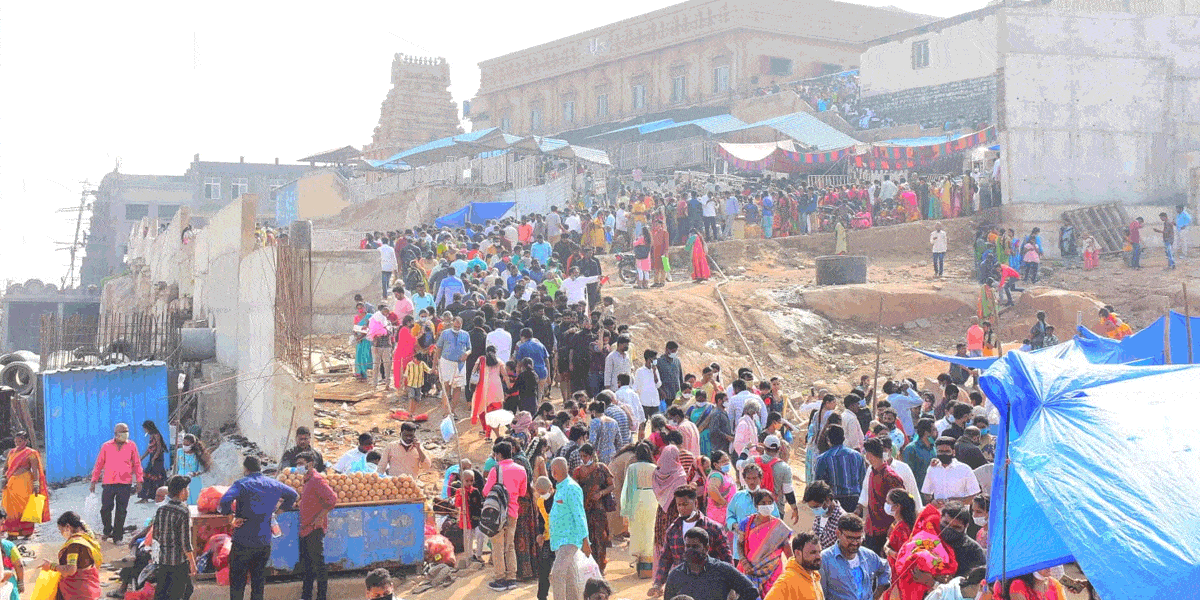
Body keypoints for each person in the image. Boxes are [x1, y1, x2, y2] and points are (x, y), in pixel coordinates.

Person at [219, 456, 299, 600]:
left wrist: (231, 516)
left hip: (243, 540)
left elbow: (224, 500)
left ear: (245, 469)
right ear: (260, 467)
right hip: (263, 541)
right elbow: (293, 495)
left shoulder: (241, 484)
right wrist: (278, 511)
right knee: (258, 583)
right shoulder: (273, 483)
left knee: (237, 583)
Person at [651, 485, 732, 596]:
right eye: (679, 505)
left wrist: (731, 586)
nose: (681, 509)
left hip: (709, 586)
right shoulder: (673, 530)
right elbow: (665, 558)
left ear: (695, 503)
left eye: (685, 504)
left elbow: (726, 558)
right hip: (682, 587)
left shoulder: (713, 528)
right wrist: (658, 584)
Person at [662, 528, 760, 600]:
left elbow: (751, 591)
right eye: (688, 546)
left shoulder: (723, 570)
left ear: (706, 548)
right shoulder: (675, 575)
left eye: (695, 546)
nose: (690, 550)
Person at [483, 441, 528, 591]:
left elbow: (486, 491)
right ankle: (511, 578)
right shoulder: (521, 469)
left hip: (497, 514)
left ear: (499, 454)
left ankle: (500, 579)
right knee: (510, 545)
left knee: (497, 546)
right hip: (513, 512)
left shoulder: (495, 470)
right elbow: (522, 492)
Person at [90, 422, 144, 543]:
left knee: (121, 511)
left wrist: (139, 480)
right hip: (109, 482)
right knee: (105, 509)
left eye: (127, 431)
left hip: (125, 483)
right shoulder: (106, 446)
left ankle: (118, 537)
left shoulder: (132, 445)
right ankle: (107, 530)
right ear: (116, 433)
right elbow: (99, 464)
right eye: (123, 431)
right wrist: (94, 480)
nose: (126, 434)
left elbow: (137, 464)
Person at [294, 453, 337, 600]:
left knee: (318, 566)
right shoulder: (307, 480)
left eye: (301, 463)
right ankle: (306, 596)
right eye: (297, 464)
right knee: (307, 566)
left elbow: (332, 499)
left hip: (314, 528)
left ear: (311, 463)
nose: (299, 467)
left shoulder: (317, 480)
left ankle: (321, 596)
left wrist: (320, 517)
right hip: (305, 528)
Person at [818, 514, 889, 600]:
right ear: (838, 533)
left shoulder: (869, 555)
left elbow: (885, 568)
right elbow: (820, 594)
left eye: (858, 538)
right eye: (850, 538)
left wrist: (877, 595)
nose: (855, 543)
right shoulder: (824, 560)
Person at [549, 457, 591, 600]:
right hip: (559, 539)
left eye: (555, 470)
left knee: (557, 573)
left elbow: (579, 514)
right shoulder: (560, 487)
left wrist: (585, 539)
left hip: (569, 539)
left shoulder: (571, 488)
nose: (554, 473)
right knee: (569, 577)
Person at [737, 490, 793, 596]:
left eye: (770, 502)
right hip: (750, 569)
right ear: (756, 505)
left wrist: (793, 569)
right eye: (763, 503)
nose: (767, 506)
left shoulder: (779, 526)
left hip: (773, 571)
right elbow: (740, 543)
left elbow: (788, 551)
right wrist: (744, 562)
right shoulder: (747, 523)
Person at [151, 475, 197, 600]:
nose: (188, 491)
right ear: (182, 491)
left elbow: (156, 535)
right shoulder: (183, 511)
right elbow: (185, 542)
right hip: (178, 562)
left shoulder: (161, 509)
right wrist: (192, 563)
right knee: (181, 593)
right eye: (187, 489)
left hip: (163, 560)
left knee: (163, 594)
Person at [41, 511, 104, 600]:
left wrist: (51, 565)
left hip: (78, 591)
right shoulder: (87, 535)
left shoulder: (74, 545)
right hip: (91, 586)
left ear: (68, 527)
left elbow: (70, 570)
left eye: (61, 530)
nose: (61, 533)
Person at [857, 437, 904, 556]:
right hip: (871, 531)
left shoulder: (890, 476)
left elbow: (902, 505)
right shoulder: (872, 472)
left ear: (869, 455)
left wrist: (894, 526)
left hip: (886, 532)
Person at [573, 444, 616, 573]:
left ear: (592, 455)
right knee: (587, 539)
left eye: (585, 456)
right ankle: (589, 568)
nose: (583, 459)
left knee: (600, 538)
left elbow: (612, 486)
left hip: (599, 510)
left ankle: (600, 567)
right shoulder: (578, 471)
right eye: (581, 456)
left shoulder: (602, 468)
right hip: (584, 511)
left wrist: (601, 493)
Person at [2, 431, 47, 539]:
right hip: (11, 483)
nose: (17, 443)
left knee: (25, 508)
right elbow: (5, 468)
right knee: (10, 509)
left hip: (25, 483)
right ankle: (12, 533)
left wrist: (36, 484)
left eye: (20, 441)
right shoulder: (11, 452)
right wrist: (3, 478)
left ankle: (27, 532)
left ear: (26, 441)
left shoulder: (31, 453)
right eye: (16, 441)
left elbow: (35, 471)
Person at [813, 426, 865, 513]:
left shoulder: (823, 458)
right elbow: (863, 480)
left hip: (834, 502)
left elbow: (819, 484)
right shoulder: (857, 456)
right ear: (843, 438)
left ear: (828, 440)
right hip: (855, 501)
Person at [920, 438, 981, 506]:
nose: (944, 454)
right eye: (940, 451)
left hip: (959, 511)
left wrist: (953, 502)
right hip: (938, 511)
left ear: (953, 452)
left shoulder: (964, 469)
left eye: (947, 451)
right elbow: (926, 493)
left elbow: (974, 496)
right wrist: (932, 502)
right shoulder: (932, 468)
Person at [763, 532, 824, 600]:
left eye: (819, 552)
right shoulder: (786, 581)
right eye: (813, 552)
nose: (818, 556)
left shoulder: (814, 576)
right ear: (798, 553)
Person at [938, 502, 986, 577]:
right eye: (945, 523)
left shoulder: (973, 551)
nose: (948, 529)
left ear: (966, 526)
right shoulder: (929, 540)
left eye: (956, 527)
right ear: (940, 518)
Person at [436, 316, 472, 415]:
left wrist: (467, 354)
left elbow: (469, 348)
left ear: (462, 325)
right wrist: (435, 364)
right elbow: (438, 348)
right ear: (452, 323)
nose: (457, 328)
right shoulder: (445, 333)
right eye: (455, 326)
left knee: (457, 387)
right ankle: (446, 411)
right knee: (446, 387)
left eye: (459, 327)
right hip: (446, 363)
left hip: (460, 365)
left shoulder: (466, 334)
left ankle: (452, 411)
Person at [174, 434, 211, 505]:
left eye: (187, 445)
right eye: (184, 444)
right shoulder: (179, 452)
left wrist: (194, 473)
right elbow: (176, 466)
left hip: (194, 481)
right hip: (181, 479)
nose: (185, 446)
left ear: (192, 445)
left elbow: (202, 469)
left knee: (194, 502)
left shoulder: (197, 454)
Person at [138, 421, 168, 503]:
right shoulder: (151, 435)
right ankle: (146, 497)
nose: (144, 430)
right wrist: (142, 457)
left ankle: (157, 496)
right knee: (148, 477)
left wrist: (154, 458)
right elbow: (150, 449)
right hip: (153, 457)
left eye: (145, 428)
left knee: (156, 477)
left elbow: (159, 447)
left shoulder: (156, 434)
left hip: (158, 458)